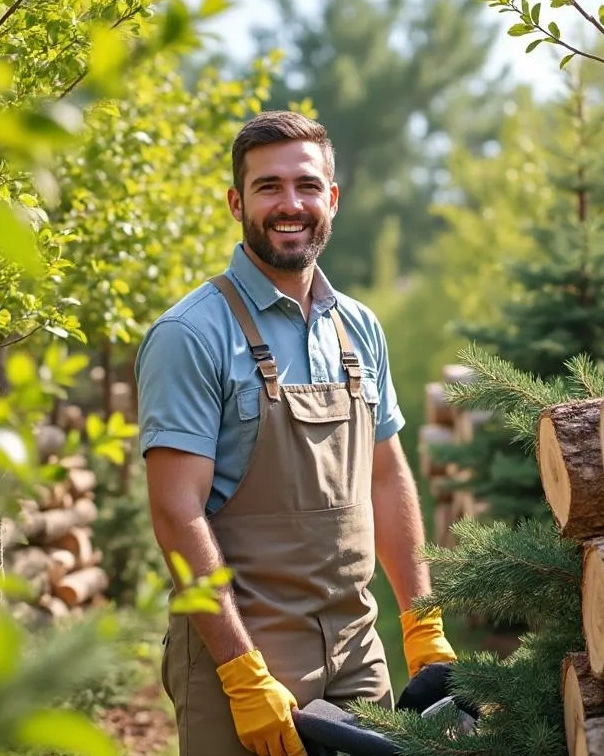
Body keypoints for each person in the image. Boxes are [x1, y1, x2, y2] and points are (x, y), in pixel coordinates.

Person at [134, 110, 457, 756]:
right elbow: (175, 512)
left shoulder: (359, 330)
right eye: (268, 187)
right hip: (245, 656)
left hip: (357, 654)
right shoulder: (191, 335)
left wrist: (423, 625)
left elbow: (387, 477)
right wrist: (240, 673)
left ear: (331, 199)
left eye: (307, 186)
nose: (291, 204)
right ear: (236, 202)